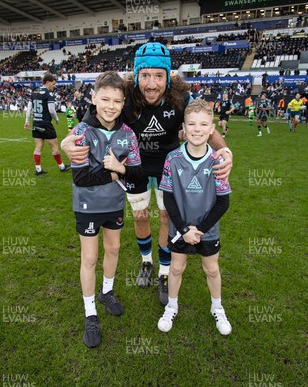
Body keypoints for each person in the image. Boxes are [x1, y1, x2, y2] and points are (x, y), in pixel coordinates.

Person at [61, 42, 233, 306]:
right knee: (141, 217)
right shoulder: (126, 95)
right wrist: (66, 142)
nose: (151, 84)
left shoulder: (181, 97)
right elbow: (90, 118)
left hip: (170, 167)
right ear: (136, 75)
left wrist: (225, 150)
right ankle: (146, 262)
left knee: (166, 217)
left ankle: (164, 272)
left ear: (169, 76)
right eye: (145, 75)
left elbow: (208, 126)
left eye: (158, 75)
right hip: (135, 166)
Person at [71, 72, 143, 348]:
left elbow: (137, 174)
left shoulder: (128, 134)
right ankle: (90, 312)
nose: (111, 106)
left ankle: (107, 292)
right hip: (88, 206)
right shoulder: (81, 131)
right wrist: (115, 173)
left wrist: (122, 168)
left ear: (123, 102)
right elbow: (81, 178)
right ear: (94, 98)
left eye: (117, 101)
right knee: (89, 258)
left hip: (115, 204)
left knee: (113, 250)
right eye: (105, 99)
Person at [157, 99, 232, 335]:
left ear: (212, 129)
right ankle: (171, 306)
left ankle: (217, 308)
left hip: (207, 230)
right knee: (176, 269)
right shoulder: (172, 158)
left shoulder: (218, 161)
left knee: (211, 269)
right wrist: (184, 229)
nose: (197, 129)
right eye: (192, 124)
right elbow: (168, 198)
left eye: (203, 124)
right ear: (184, 128)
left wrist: (198, 230)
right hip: (179, 229)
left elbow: (223, 201)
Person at [24, 73, 70, 175]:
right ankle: (62, 167)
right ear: (48, 82)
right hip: (45, 124)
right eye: (53, 84)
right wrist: (56, 118)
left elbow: (29, 109)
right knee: (54, 146)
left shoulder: (34, 92)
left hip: (35, 122)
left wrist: (27, 121)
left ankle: (38, 169)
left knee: (38, 146)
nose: (53, 86)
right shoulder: (49, 94)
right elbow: (51, 110)